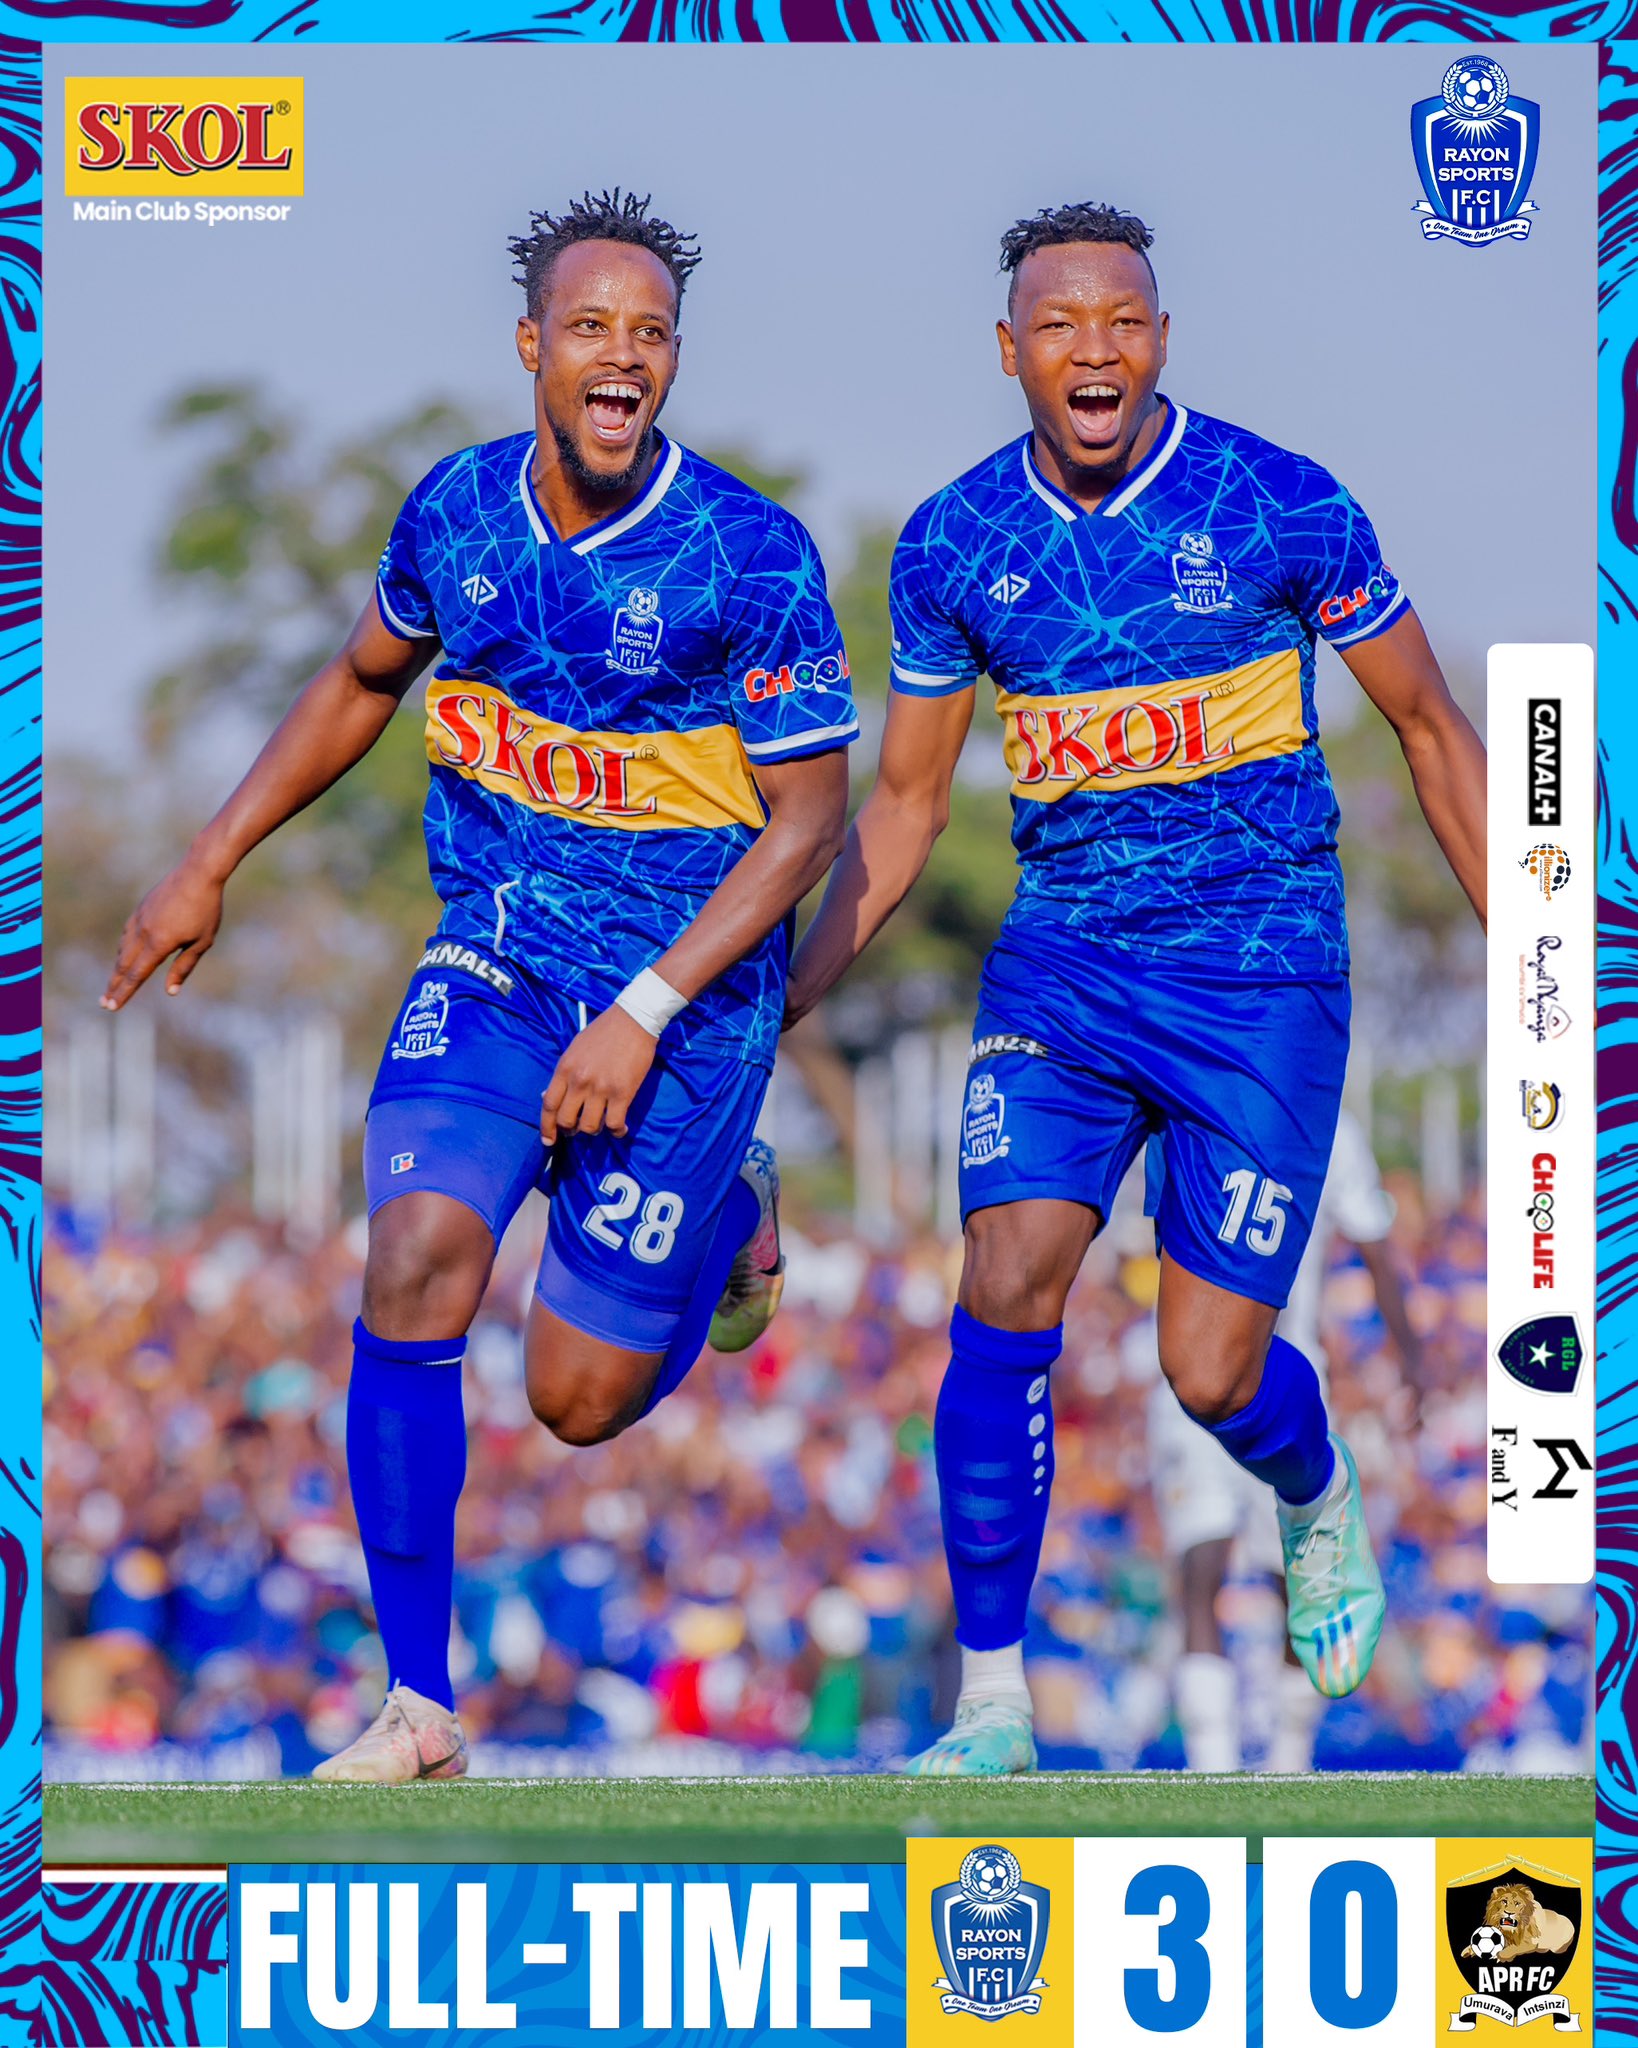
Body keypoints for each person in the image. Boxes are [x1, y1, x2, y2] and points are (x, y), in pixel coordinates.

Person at [102, 190, 856, 1783]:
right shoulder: (454, 510)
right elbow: (361, 677)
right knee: (414, 1259)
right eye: (590, 327)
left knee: (575, 1400)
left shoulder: (750, 555)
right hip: (500, 954)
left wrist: (644, 1013)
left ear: (671, 363)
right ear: (531, 345)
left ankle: (731, 1204)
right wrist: (208, 858)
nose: (620, 356)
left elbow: (806, 828)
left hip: (685, 998)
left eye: (649, 334)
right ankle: (417, 1703)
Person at [785, 200, 1485, 1776]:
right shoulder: (954, 543)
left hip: (1258, 978)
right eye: (1058, 323)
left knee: (1207, 1369)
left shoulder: (1279, 502)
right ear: (1008, 350)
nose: (1090, 348)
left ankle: (1313, 1488)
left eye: (1119, 321)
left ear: (1161, 340)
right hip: (1065, 972)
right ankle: (990, 1706)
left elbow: (1432, 730)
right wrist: (791, 990)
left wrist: (1536, 953)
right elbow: (902, 805)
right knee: (1002, 1279)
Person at [1143, 1107, 1424, 1772]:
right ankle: (1211, 1762)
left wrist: (1412, 1353)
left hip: (1285, 1379)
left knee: (1297, 1577)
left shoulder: (1334, 1127)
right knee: (1200, 1566)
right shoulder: (1186, 1104)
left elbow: (1374, 1245)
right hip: (1189, 1377)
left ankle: (1290, 1755)